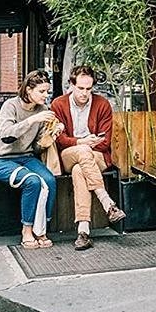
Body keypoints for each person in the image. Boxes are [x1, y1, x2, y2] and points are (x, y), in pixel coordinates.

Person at [51, 65, 126, 250]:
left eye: (88, 88)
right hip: (69, 154)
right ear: (71, 85)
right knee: (83, 151)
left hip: (97, 155)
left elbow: (104, 142)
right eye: (80, 88)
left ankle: (83, 231)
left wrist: (85, 144)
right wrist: (81, 141)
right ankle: (107, 202)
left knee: (80, 170)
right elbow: (59, 140)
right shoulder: (58, 104)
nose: (84, 93)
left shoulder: (102, 104)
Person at [0, 70, 60, 249]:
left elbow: (35, 147)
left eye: (47, 91)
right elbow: (6, 135)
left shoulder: (43, 110)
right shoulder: (11, 106)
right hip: (2, 160)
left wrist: (49, 136)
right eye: (41, 91)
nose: (46, 95)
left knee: (50, 180)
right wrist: (32, 120)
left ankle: (41, 229)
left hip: (27, 158)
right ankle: (27, 230)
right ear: (29, 90)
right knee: (32, 181)